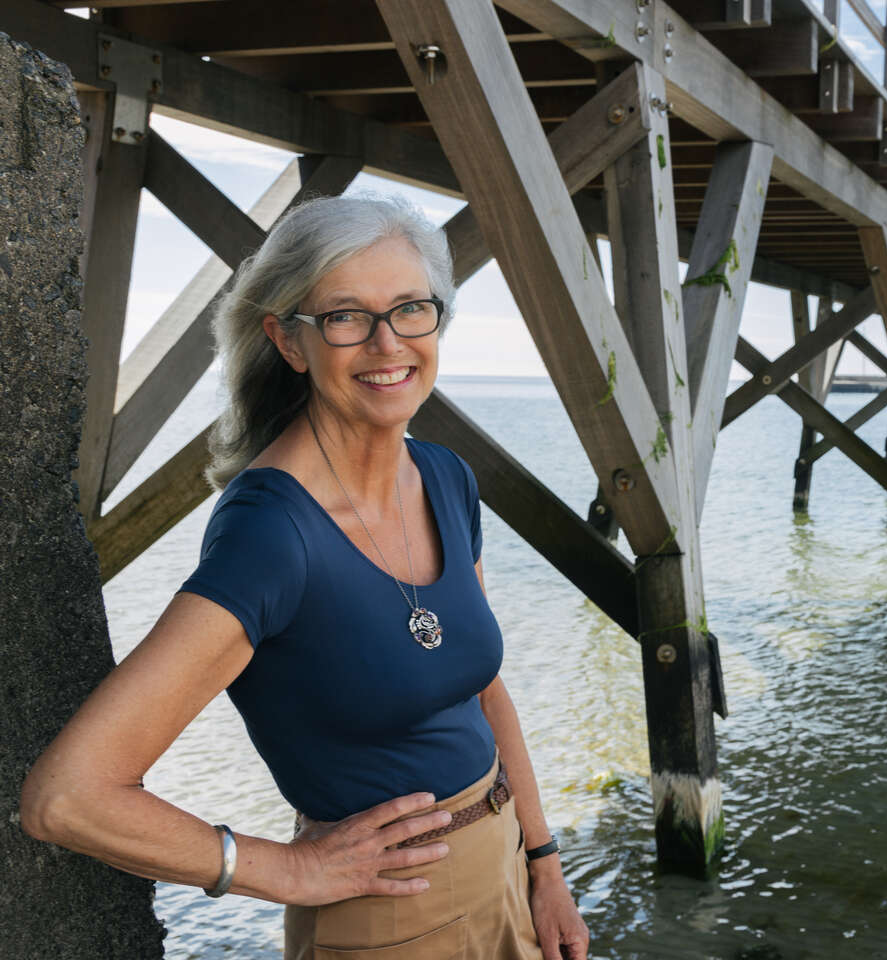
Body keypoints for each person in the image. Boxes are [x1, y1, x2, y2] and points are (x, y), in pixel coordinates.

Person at [20, 194, 590, 960]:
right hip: (390, 923)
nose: (388, 344)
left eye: (411, 309)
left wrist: (544, 864)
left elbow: (484, 690)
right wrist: (284, 869)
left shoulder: (446, 478)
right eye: (346, 316)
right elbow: (68, 797)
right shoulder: (272, 534)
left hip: (506, 873)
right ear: (289, 341)